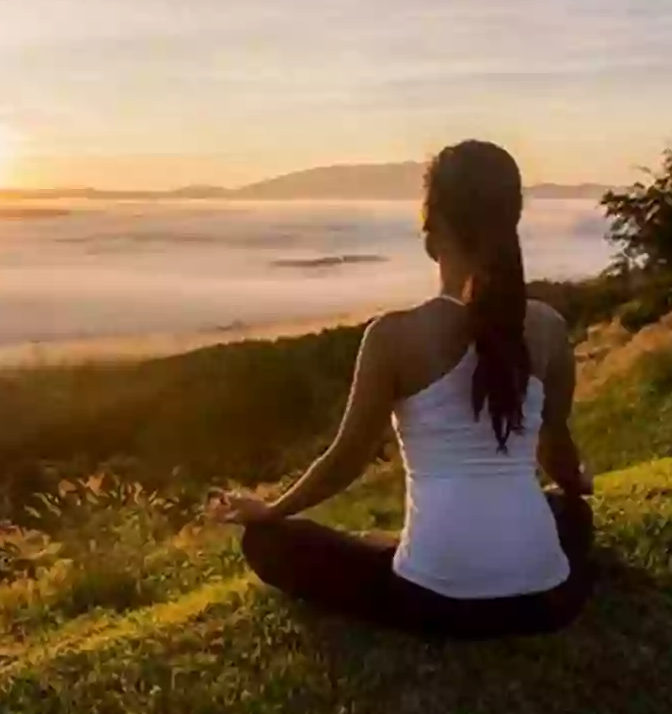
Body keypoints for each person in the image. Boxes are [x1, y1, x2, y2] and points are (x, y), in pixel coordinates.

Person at [207, 140, 594, 638]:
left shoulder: (393, 337)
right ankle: (422, 546)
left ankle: (402, 550)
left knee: (267, 543)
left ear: (432, 233)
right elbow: (555, 447)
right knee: (571, 515)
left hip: (435, 604)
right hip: (548, 601)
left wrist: (271, 509)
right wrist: (575, 485)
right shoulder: (548, 328)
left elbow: (345, 459)